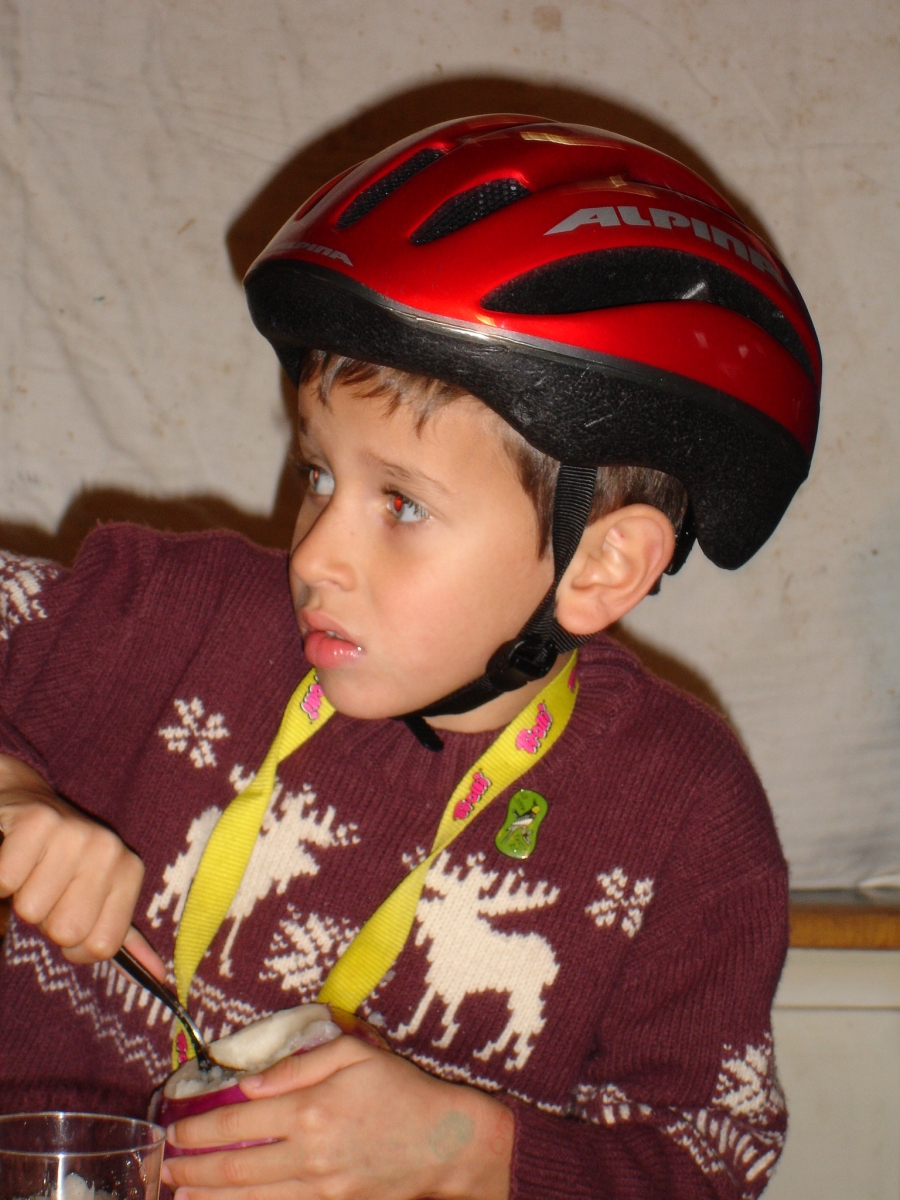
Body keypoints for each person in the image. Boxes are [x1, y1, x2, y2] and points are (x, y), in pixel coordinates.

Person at [0, 115, 821, 1199]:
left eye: (401, 505)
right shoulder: (173, 618)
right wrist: (12, 793)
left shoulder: (686, 816)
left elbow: (710, 1163)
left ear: (600, 565)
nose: (314, 554)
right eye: (319, 474)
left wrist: (468, 1154)